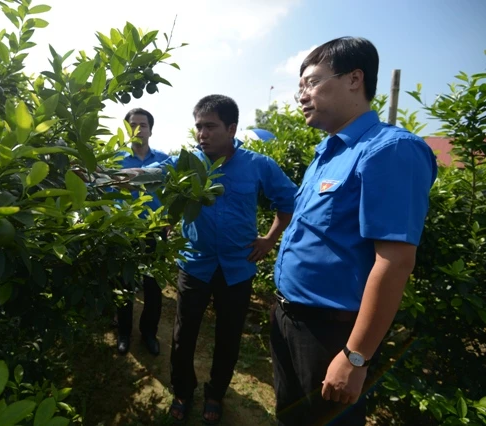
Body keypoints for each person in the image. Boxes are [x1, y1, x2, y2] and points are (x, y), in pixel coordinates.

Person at [270, 37, 438, 426]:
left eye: (311, 82)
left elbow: (395, 261)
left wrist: (355, 355)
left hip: (331, 334)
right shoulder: (327, 153)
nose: (302, 95)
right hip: (288, 318)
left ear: (354, 79)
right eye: (300, 87)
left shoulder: (388, 150)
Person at [134, 95, 297, 424]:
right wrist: (104, 174)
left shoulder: (257, 165)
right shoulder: (186, 163)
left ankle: (215, 394)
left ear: (231, 128)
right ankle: (183, 391)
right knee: (183, 335)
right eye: (198, 127)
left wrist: (269, 240)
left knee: (228, 335)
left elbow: (289, 201)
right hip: (194, 263)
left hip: (237, 268)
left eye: (210, 126)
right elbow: (148, 174)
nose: (201, 134)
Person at [114, 108, 169, 356]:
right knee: (124, 284)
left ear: (150, 129)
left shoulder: (164, 160)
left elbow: (171, 195)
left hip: (154, 231)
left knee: (153, 286)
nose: (138, 129)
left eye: (143, 125)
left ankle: (149, 332)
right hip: (125, 231)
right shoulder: (115, 160)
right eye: (133, 125)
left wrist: (169, 219)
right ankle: (123, 332)